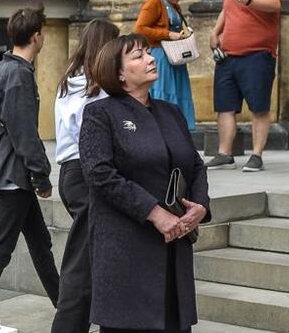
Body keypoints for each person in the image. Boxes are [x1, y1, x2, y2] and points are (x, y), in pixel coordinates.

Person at [79, 34, 211, 333]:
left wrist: (201, 206)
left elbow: (195, 165)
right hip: (127, 248)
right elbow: (99, 174)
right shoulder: (101, 113)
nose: (150, 59)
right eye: (138, 56)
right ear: (119, 73)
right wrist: (155, 213)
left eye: (148, 54)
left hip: (173, 245)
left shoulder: (171, 112)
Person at [0, 4, 59, 333]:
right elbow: (24, 133)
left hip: (12, 172)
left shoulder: (1, 69)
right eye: (43, 32)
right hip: (14, 173)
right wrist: (42, 176)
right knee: (1, 247)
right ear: (37, 36)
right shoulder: (18, 74)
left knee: (39, 243)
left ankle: (65, 307)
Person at [51, 18, 120, 333]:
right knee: (82, 261)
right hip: (86, 170)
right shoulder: (97, 86)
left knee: (90, 256)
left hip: (70, 171)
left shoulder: (70, 79)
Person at [206, 0, 281, 172]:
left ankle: (256, 156)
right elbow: (227, 10)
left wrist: (250, 1)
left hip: (257, 55)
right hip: (228, 56)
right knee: (224, 106)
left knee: (258, 107)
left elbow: (275, 4)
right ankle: (224, 154)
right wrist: (215, 32)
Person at [134, 0, 197, 129]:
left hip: (176, 58)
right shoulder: (154, 2)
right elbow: (140, 29)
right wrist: (168, 34)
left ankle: (176, 130)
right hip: (161, 56)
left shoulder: (175, 6)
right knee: (164, 95)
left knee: (177, 94)